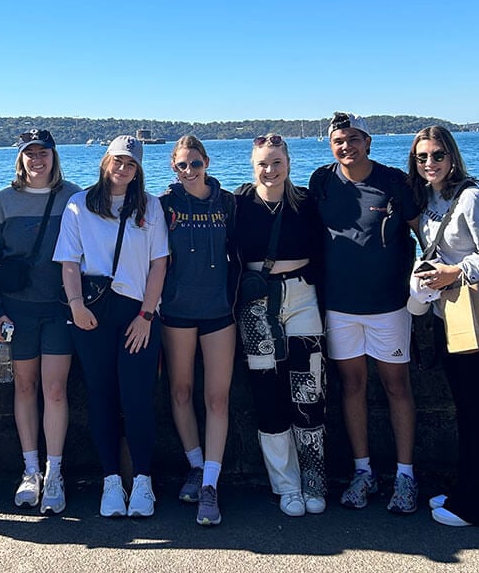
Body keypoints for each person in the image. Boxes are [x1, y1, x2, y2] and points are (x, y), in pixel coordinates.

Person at [309, 112, 422, 514]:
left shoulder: (393, 182)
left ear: (367, 141)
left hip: (389, 305)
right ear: (331, 145)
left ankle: (406, 476)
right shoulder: (321, 181)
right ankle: (363, 472)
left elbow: (424, 230)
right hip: (339, 307)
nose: (346, 146)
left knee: (397, 387)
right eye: (339, 140)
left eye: (353, 138)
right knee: (352, 386)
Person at [406, 125, 479, 527]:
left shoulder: (471, 200)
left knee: (478, 411)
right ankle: (464, 492)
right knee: (465, 410)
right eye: (422, 157)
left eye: (437, 155)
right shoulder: (432, 197)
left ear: (452, 156)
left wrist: (457, 269)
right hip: (450, 315)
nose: (429, 163)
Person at [54, 135, 169, 518]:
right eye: (118, 161)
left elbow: (159, 265)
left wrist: (147, 316)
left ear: (138, 171)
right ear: (105, 162)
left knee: (136, 399)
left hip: (137, 311)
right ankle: (110, 481)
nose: (123, 169)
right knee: (101, 397)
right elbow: (69, 262)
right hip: (91, 311)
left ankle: (142, 481)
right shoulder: (79, 205)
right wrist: (75, 305)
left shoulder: (149, 206)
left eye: (131, 164)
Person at [0, 129, 81, 515]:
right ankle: (30, 470)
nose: (36, 160)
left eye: (43, 153)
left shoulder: (75, 197)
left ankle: (55, 473)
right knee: (24, 387)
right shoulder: (3, 203)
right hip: (15, 312)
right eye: (29, 153)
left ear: (54, 156)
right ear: (20, 159)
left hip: (59, 309)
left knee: (54, 391)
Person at [230, 134, 327, 517]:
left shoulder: (306, 203)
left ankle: (314, 480)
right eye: (262, 164)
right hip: (256, 306)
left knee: (309, 393)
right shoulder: (239, 204)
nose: (269, 171)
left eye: (276, 163)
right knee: (267, 395)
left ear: (288, 163)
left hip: (303, 298)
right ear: (252, 167)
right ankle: (286, 486)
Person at [158, 135, 238, 526]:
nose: (188, 172)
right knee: (180, 390)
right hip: (176, 310)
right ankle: (193, 463)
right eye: (181, 166)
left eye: (195, 164)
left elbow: (241, 251)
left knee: (218, 399)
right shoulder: (164, 205)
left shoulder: (227, 203)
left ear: (207, 163)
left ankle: (210, 482)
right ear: (173, 167)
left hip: (219, 311)